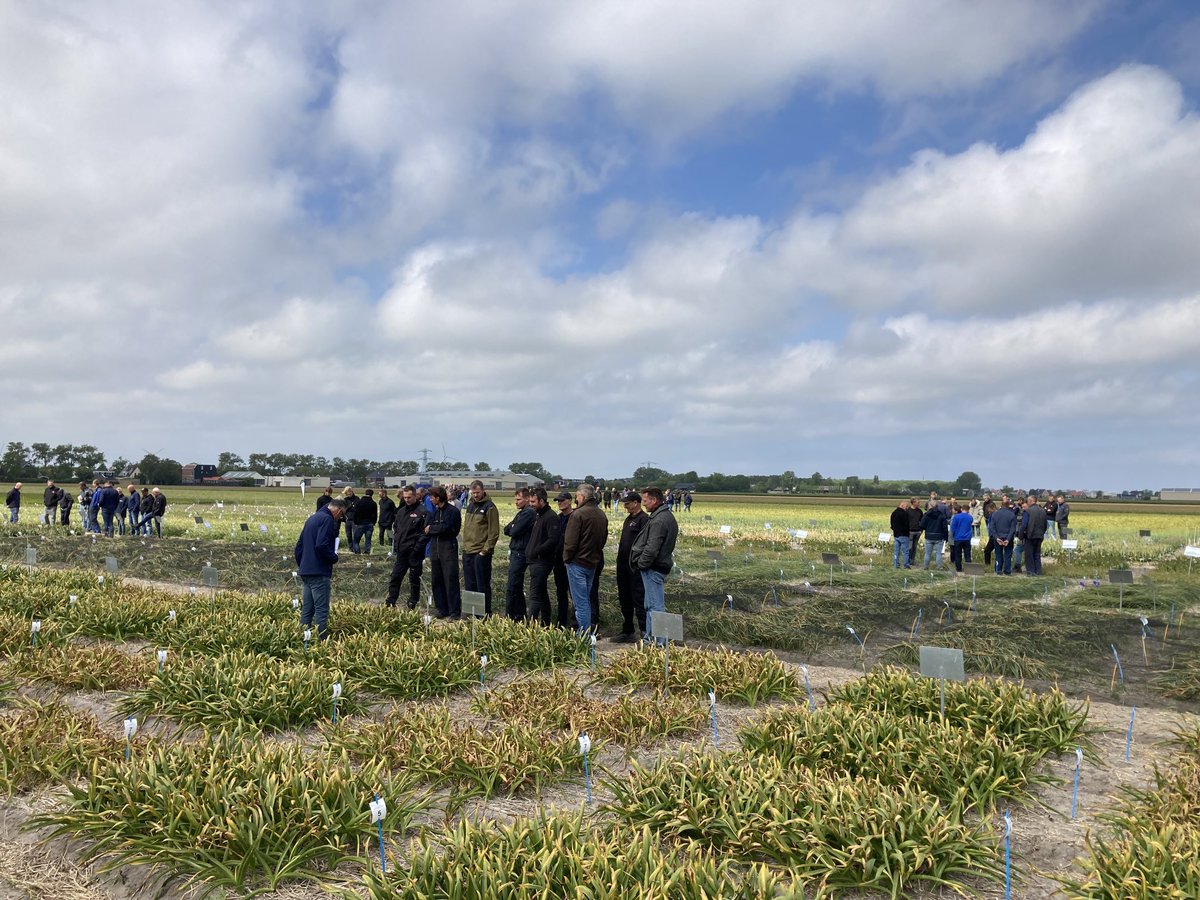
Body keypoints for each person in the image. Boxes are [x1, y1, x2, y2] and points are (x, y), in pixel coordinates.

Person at [629, 486, 678, 641]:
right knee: (651, 605)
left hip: (653, 568)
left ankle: (658, 643)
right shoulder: (664, 516)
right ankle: (651, 640)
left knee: (654, 607)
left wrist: (641, 564)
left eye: (645, 501)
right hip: (655, 567)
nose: (644, 504)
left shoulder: (659, 520)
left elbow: (652, 548)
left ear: (654, 500)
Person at [294, 497, 346, 640]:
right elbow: (321, 545)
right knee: (321, 610)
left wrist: (303, 565)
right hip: (319, 571)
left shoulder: (312, 518)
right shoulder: (327, 520)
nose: (339, 519)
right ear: (339, 511)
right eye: (341, 516)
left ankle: (303, 638)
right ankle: (322, 640)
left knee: (307, 609)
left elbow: (298, 547)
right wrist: (333, 557)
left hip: (306, 571)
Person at [561, 483, 608, 634]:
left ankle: (584, 635)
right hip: (593, 562)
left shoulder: (578, 514)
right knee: (586, 599)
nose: (576, 499)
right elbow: (603, 539)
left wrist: (567, 559)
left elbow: (570, 541)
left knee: (580, 603)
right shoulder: (601, 514)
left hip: (577, 563)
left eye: (576, 497)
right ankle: (588, 631)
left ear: (582, 496)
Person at [613, 493, 649, 641]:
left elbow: (645, 543)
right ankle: (627, 630)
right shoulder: (629, 519)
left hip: (634, 567)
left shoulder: (644, 519)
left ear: (636, 503)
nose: (625, 506)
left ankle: (645, 633)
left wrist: (638, 562)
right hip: (622, 565)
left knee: (638, 599)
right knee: (624, 599)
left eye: (627, 504)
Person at [385, 487, 428, 609]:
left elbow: (424, 534)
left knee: (414, 579)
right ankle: (391, 600)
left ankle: (412, 601)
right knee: (395, 577)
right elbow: (397, 528)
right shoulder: (401, 511)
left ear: (415, 496)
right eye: (405, 497)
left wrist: (416, 549)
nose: (407, 499)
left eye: (409, 497)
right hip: (401, 552)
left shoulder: (422, 512)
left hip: (415, 553)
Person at [461, 480, 500, 615]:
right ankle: (471, 611)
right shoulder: (471, 505)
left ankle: (483, 613)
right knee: (469, 584)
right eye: (473, 493)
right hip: (468, 550)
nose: (476, 495)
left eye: (478, 492)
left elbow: (494, 532)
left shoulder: (490, 507)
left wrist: (485, 551)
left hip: (480, 553)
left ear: (483, 490)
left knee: (482, 585)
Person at [424, 486, 462, 619]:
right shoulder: (434, 512)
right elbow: (426, 529)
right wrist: (432, 529)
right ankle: (441, 609)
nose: (429, 499)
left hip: (448, 551)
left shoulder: (452, 512)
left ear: (438, 498)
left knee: (450, 580)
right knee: (437, 581)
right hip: (435, 551)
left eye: (431, 497)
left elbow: (448, 528)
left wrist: (432, 528)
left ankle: (454, 611)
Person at [524, 487, 561, 626]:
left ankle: (530, 625)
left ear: (542, 501)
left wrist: (537, 551)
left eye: (533, 501)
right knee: (542, 592)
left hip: (542, 562)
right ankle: (546, 623)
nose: (531, 504)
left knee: (534, 595)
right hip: (535, 560)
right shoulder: (539, 515)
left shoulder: (551, 517)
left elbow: (553, 539)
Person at [502, 488, 535, 620]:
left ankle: (511, 615)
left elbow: (514, 531)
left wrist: (513, 527)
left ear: (527, 499)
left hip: (521, 553)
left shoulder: (528, 513)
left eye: (518, 499)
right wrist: (513, 527)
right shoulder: (521, 513)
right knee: (516, 586)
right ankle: (519, 614)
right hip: (516, 551)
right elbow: (506, 529)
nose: (516, 502)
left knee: (513, 585)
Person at [552, 491, 574, 628]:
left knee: (574, 594)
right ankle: (561, 621)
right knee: (561, 592)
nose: (560, 503)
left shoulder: (575, 517)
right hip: (558, 561)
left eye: (562, 500)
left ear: (570, 501)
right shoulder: (558, 518)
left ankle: (575, 622)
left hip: (571, 562)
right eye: (558, 501)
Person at [989, 499, 1018, 575]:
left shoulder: (995, 514)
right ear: (1008, 505)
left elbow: (992, 527)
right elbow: (1013, 529)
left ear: (1001, 505)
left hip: (998, 537)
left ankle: (998, 570)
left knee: (998, 555)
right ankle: (1007, 571)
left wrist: (997, 538)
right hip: (1008, 538)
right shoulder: (1012, 515)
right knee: (1008, 555)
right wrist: (1008, 539)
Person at [919, 501, 949, 569]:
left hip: (929, 536)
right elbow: (945, 527)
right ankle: (939, 567)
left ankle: (926, 566)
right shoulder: (941, 515)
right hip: (939, 536)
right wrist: (946, 537)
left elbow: (922, 525)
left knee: (927, 553)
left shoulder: (926, 515)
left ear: (930, 506)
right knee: (939, 554)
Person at [1023, 495, 1048, 576]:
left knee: (1029, 555)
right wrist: (1042, 533)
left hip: (1030, 536)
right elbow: (1045, 525)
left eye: (1027, 501)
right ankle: (1038, 572)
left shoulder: (1028, 511)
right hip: (1040, 536)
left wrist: (1020, 535)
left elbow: (1024, 525)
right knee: (1037, 554)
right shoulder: (1043, 511)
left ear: (1030, 501)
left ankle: (1031, 572)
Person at [350, 488, 378, 554]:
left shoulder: (359, 502)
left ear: (365, 493)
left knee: (356, 540)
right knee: (368, 540)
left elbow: (355, 513)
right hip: (369, 523)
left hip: (360, 524)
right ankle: (367, 551)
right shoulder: (373, 503)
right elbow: (375, 515)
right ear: (372, 495)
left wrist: (355, 522)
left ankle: (357, 552)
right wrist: (373, 522)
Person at [949, 503, 974, 572]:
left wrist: (954, 535)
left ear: (962, 509)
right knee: (967, 554)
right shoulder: (970, 517)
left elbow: (953, 528)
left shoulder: (956, 517)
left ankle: (958, 569)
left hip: (958, 538)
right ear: (968, 510)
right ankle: (968, 569)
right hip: (967, 539)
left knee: (958, 555)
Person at [890, 499, 911, 569]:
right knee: (905, 551)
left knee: (896, 551)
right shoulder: (904, 514)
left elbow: (892, 524)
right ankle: (906, 565)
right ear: (903, 506)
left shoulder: (893, 513)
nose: (907, 508)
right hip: (904, 534)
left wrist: (895, 530)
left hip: (896, 534)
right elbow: (907, 524)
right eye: (907, 507)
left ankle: (896, 564)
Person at [906, 496, 923, 567]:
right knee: (909, 547)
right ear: (913, 502)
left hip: (918, 532)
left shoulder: (920, 511)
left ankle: (912, 561)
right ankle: (908, 560)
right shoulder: (908, 511)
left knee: (914, 547)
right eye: (918, 502)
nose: (919, 503)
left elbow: (922, 521)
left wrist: (921, 530)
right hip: (910, 531)